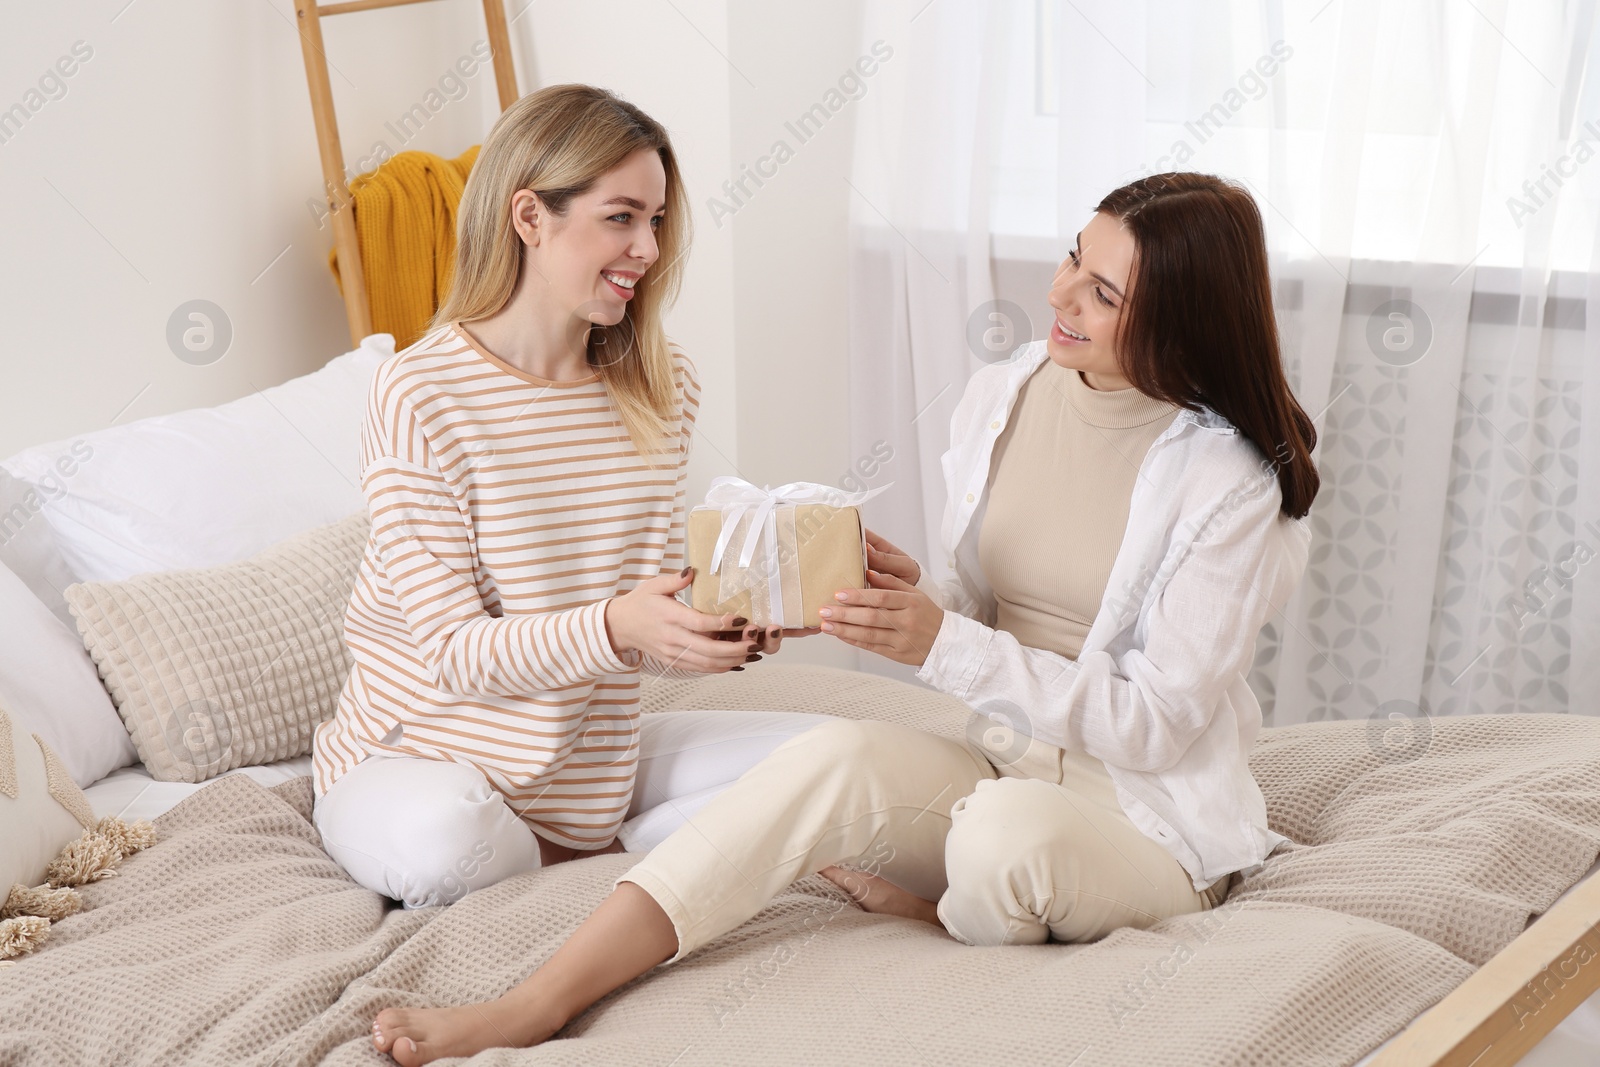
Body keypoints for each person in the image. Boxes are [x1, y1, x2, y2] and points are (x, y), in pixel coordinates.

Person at [369, 171, 1320, 1065]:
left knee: (1000, 838)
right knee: (826, 759)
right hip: (998, 758)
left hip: (1141, 811)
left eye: (1104, 294)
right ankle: (540, 998)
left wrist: (942, 641)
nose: (1060, 295)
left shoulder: (1227, 481)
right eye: (1076, 256)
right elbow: (983, 614)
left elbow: (1154, 724)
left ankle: (939, 910)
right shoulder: (1006, 394)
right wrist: (912, 601)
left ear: (1180, 324)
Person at [310, 83, 832, 915]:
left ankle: (588, 851)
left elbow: (636, 626)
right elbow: (453, 652)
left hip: (590, 765)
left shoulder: (663, 387)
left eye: (656, 221)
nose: (649, 249)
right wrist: (622, 623)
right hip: (418, 762)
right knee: (453, 843)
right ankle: (634, 858)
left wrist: (714, 630)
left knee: (834, 758)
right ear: (530, 217)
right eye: (621, 216)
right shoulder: (420, 392)